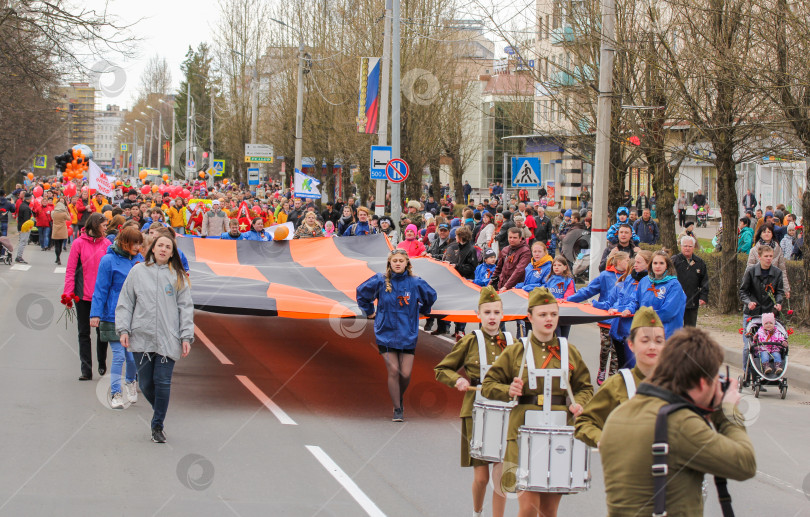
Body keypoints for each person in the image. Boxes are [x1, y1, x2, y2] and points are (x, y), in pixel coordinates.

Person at [600, 327, 756, 517]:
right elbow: (745, 463)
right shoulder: (680, 423)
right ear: (701, 383)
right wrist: (725, 408)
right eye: (714, 380)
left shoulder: (619, 415)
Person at [481, 288, 593, 516]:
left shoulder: (569, 351)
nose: (549, 319)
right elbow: (488, 384)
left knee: (550, 510)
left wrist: (580, 403)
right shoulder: (516, 351)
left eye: (553, 314)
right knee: (528, 508)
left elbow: (585, 387)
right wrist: (508, 390)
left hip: (561, 429)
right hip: (524, 432)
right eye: (543, 315)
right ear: (530, 317)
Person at [434, 286, 510, 517]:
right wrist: (457, 380)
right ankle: (477, 511)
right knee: (481, 477)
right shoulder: (470, 341)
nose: (492, 317)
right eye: (487, 312)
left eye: (496, 312)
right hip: (476, 411)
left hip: (505, 411)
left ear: (502, 315)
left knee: (500, 475)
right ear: (478, 314)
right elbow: (441, 369)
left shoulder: (512, 342)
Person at [116, 231, 194, 443]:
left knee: (163, 382)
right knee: (146, 384)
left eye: (168, 247)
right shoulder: (138, 272)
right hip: (142, 336)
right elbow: (126, 302)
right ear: (152, 248)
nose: (163, 249)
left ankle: (157, 424)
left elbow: (185, 308)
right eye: (160, 245)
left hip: (169, 338)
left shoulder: (178, 276)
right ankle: (160, 407)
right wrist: (123, 329)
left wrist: (186, 337)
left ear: (172, 253)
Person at [356, 249, 437, 421]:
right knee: (393, 370)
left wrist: (423, 310)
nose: (398, 263)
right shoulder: (379, 280)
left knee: (405, 374)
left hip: (408, 333)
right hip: (385, 331)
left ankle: (397, 396)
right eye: (395, 261)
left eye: (401, 260)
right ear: (390, 263)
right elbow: (361, 293)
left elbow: (431, 296)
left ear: (407, 262)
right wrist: (370, 312)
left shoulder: (415, 283)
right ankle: (397, 408)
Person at [575, 307, 665, 448]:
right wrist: (602, 440)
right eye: (645, 341)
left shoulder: (677, 385)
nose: (652, 347)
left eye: (659, 341)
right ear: (631, 344)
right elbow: (585, 422)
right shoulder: (618, 384)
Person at [89, 226, 144, 409]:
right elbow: (101, 288)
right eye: (134, 243)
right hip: (112, 314)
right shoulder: (108, 260)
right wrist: (95, 313)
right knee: (119, 355)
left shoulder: (140, 260)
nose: (137, 247)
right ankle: (115, 393)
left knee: (131, 357)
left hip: (134, 315)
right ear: (124, 242)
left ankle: (130, 382)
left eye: (139, 243)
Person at [64, 213, 112, 380]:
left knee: (102, 332)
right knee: (83, 332)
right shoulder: (78, 244)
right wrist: (68, 293)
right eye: (104, 225)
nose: (106, 228)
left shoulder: (107, 244)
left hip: (101, 296)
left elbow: (110, 270)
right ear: (95, 225)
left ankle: (101, 361)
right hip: (82, 296)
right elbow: (71, 270)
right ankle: (86, 369)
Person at [570, 251, 629, 384]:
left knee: (616, 352)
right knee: (605, 349)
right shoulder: (605, 276)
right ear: (619, 262)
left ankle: (612, 378)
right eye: (627, 260)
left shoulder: (628, 277)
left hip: (619, 320)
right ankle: (602, 369)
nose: (629, 262)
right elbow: (589, 290)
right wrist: (569, 299)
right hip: (606, 319)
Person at [740, 244, 785, 371]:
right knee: (749, 345)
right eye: (766, 256)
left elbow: (779, 291)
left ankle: (768, 371)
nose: (769, 259)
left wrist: (779, 302)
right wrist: (749, 302)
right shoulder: (751, 271)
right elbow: (743, 291)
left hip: (769, 314)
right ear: (759, 257)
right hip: (752, 312)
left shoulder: (777, 273)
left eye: (771, 256)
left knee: (771, 343)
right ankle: (747, 373)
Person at [637, 250, 687, 339]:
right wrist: (628, 309)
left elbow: (668, 312)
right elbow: (636, 302)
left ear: (667, 265)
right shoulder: (644, 281)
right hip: (646, 331)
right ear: (651, 264)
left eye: (661, 263)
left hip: (667, 333)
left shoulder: (674, 285)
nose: (658, 266)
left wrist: (645, 317)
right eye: (655, 263)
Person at [672, 236, 708, 327]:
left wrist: (703, 297)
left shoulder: (700, 262)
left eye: (690, 246)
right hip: (676, 300)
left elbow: (704, 281)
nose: (687, 248)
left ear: (694, 247)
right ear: (681, 246)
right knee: (676, 327)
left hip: (692, 300)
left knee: (690, 328)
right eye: (685, 246)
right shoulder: (674, 261)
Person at [747, 222, 790, 297]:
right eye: (764, 232)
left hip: (773, 285)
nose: (766, 234)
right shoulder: (754, 250)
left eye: (769, 232)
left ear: (772, 234)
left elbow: (782, 270)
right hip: (757, 287)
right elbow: (749, 270)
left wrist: (786, 289)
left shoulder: (778, 249)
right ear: (760, 234)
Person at [490, 227, 531, 292]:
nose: (512, 240)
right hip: (502, 285)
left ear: (520, 238)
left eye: (515, 238)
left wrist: (506, 286)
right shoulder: (505, 249)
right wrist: (490, 282)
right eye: (510, 237)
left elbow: (519, 271)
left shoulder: (525, 251)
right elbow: (498, 268)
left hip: (516, 288)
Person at [51, 200, 71, 265]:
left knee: (56, 245)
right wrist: (66, 211)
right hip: (62, 229)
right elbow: (69, 218)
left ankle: (57, 257)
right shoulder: (64, 213)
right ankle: (59, 257)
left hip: (55, 230)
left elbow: (52, 218)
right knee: (60, 244)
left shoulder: (53, 213)